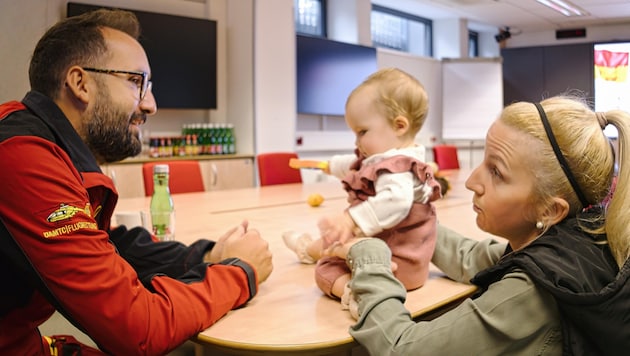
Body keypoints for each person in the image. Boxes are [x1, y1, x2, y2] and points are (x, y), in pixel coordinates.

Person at [0, 9, 273, 355]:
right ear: (80, 83)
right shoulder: (22, 156)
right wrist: (241, 272)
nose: (151, 104)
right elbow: (137, 330)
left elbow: (108, 248)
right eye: (136, 81)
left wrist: (207, 255)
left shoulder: (47, 146)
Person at [329, 95, 630, 355]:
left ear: (551, 209)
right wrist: (407, 224)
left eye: (496, 172)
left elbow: (401, 348)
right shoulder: (580, 240)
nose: (473, 181)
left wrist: (370, 255)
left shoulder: (530, 292)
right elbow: (473, 256)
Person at [283, 68, 442, 306]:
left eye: (362, 132)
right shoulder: (397, 160)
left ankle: (352, 291)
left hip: (390, 266)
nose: (357, 142)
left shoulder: (395, 170)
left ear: (399, 125)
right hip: (407, 263)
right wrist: (330, 166)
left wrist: (350, 220)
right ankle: (307, 249)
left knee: (326, 270)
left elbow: (395, 201)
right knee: (338, 242)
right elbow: (357, 165)